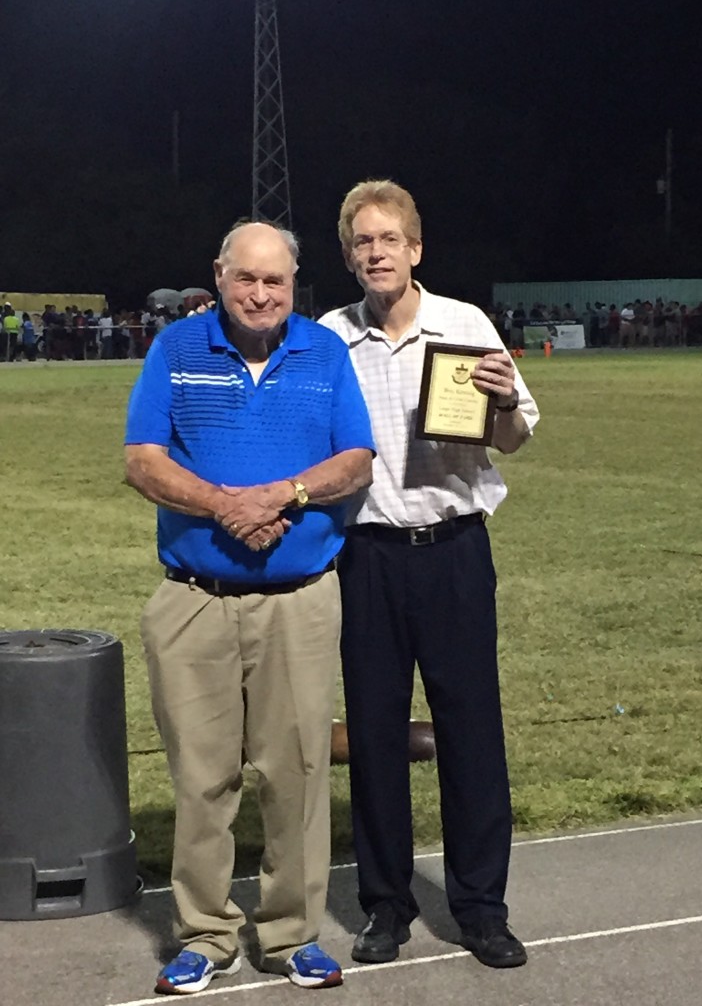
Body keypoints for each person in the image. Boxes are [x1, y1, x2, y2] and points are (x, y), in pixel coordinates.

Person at [124, 221, 374, 995]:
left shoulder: (324, 353)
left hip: (300, 601)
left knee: (296, 773)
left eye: (276, 281)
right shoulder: (176, 349)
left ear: (294, 284)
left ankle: (291, 933)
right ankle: (203, 933)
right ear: (219, 277)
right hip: (195, 599)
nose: (260, 294)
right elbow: (142, 460)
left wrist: (283, 494)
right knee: (201, 779)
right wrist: (225, 505)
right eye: (246, 279)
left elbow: (356, 459)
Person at [319, 180, 539, 971]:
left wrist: (506, 398)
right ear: (349, 256)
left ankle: (482, 909)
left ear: (416, 248)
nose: (375, 253)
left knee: (471, 732)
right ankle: (386, 905)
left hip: (452, 551)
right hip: (366, 558)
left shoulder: (465, 325)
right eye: (361, 243)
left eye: (389, 239)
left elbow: (513, 438)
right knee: (375, 734)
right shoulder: (328, 337)